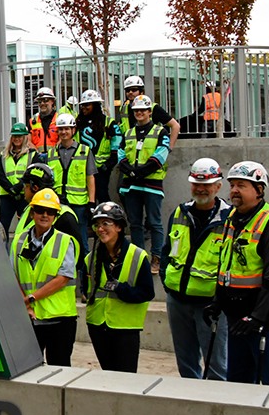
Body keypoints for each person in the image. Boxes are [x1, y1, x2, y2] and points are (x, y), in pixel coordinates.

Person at [205, 161, 269, 386]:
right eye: (232, 185)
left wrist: (257, 317)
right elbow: (226, 267)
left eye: (241, 185)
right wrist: (217, 302)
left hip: (267, 322)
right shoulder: (233, 219)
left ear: (259, 190)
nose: (234, 191)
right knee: (238, 385)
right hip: (238, 319)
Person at [161, 158, 231, 380]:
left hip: (210, 305)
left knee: (216, 364)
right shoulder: (180, 213)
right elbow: (166, 251)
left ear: (218, 186)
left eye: (206, 185)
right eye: (195, 184)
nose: (200, 189)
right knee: (186, 362)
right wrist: (167, 282)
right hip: (178, 301)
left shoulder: (230, 219)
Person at [83, 201, 155, 373]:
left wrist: (120, 289)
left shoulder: (138, 256)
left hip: (125, 328)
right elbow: (86, 289)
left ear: (119, 227)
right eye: (97, 225)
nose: (100, 229)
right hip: (98, 325)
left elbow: (147, 292)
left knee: (126, 379)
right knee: (108, 375)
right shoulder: (90, 258)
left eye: (106, 224)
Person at [12, 188, 79, 366]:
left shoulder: (65, 241)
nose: (45, 215)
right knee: (28, 369)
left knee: (60, 370)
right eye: (40, 210)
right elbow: (12, 275)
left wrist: (30, 299)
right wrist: (24, 304)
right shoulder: (19, 240)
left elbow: (62, 279)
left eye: (50, 212)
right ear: (32, 213)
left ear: (56, 216)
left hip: (59, 319)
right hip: (29, 318)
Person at [117, 94, 171, 272]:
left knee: (155, 223)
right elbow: (121, 154)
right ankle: (139, 257)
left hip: (152, 185)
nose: (139, 113)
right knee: (135, 224)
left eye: (143, 110)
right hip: (131, 185)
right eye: (136, 110)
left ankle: (156, 258)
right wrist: (131, 172)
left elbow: (161, 155)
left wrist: (139, 172)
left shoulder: (160, 132)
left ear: (150, 112)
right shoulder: (128, 133)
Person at [48, 113, 96, 248]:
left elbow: (90, 178)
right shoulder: (52, 153)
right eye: (61, 129)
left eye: (67, 129)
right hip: (59, 202)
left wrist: (91, 202)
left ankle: (83, 269)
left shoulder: (84, 151)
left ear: (73, 130)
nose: (64, 132)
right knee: (59, 240)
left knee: (82, 241)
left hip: (79, 203)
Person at [75, 90, 121, 204]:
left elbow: (117, 145)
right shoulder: (78, 122)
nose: (83, 108)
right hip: (82, 167)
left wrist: (108, 165)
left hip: (101, 169)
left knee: (102, 195)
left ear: (95, 105)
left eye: (87, 105)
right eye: (82, 105)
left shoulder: (108, 123)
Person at [119, 76, 181, 147]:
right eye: (127, 90)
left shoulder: (153, 108)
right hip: (130, 152)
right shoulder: (123, 110)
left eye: (134, 90)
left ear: (141, 91)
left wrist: (169, 148)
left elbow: (175, 126)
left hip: (152, 152)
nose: (130, 92)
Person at [0, 123, 33, 241]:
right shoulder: (3, 155)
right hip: (7, 196)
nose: (16, 139)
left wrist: (18, 187)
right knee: (3, 227)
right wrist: (10, 189)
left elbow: (32, 173)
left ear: (25, 138)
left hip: (24, 195)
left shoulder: (32, 154)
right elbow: (0, 175)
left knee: (25, 226)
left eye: (20, 136)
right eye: (14, 136)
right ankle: (4, 253)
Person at [29, 86, 60, 157]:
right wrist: (37, 153)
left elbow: (62, 139)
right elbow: (28, 141)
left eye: (45, 100)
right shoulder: (32, 121)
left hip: (56, 157)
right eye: (40, 101)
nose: (42, 103)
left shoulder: (59, 119)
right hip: (37, 158)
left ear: (52, 101)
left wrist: (51, 153)